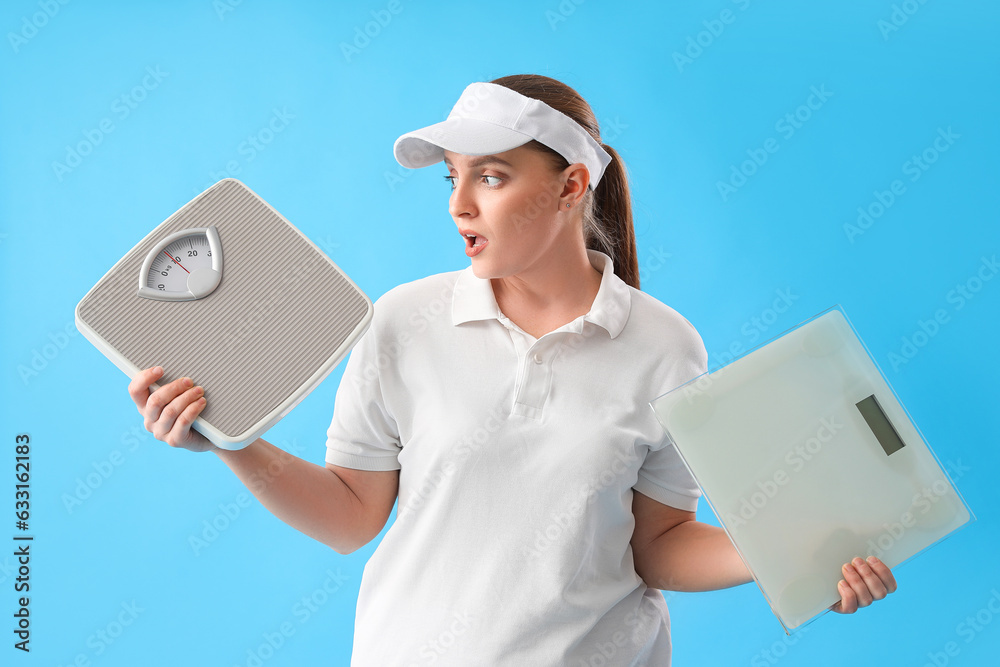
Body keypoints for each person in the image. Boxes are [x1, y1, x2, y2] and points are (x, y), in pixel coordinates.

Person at [128, 74, 896, 665]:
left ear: (570, 186)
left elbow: (656, 542)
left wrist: (792, 558)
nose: (460, 204)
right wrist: (231, 441)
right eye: (451, 178)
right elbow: (351, 515)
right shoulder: (402, 319)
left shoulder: (666, 345)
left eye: (491, 177)